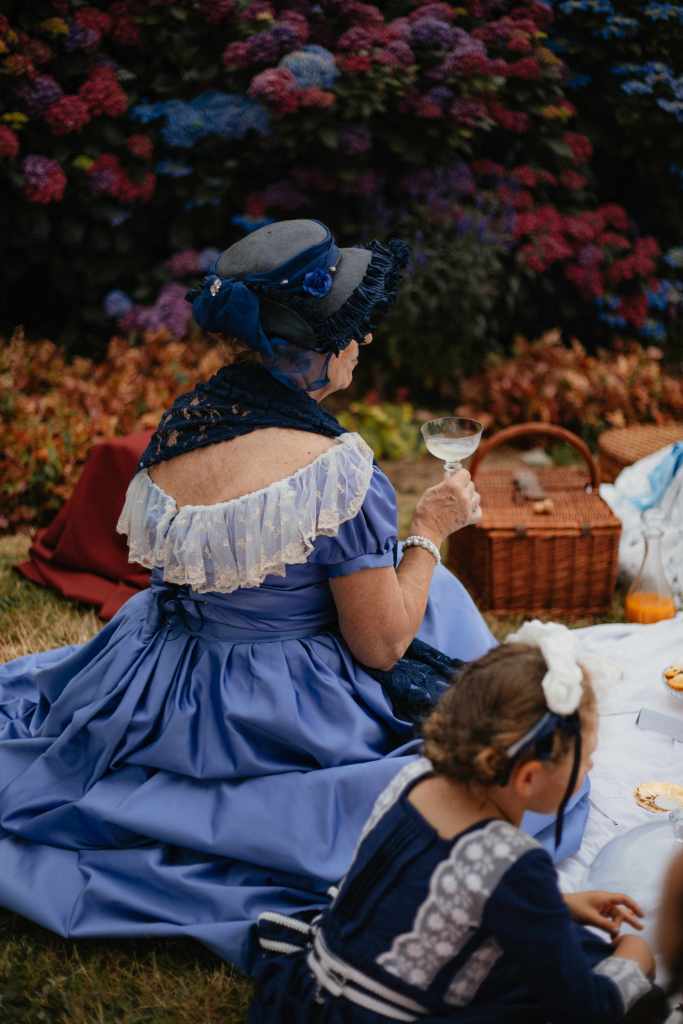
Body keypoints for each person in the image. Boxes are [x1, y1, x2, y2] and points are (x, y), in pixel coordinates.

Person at [0, 219, 587, 972]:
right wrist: (431, 532)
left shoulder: (182, 424)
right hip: (268, 707)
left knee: (415, 588)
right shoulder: (335, 472)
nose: (363, 343)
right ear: (319, 347)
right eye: (353, 331)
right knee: (430, 598)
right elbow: (379, 646)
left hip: (157, 671)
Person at [250, 634, 656, 1023]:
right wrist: (632, 961)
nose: (590, 768)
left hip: (313, 995)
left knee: (559, 945)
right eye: (586, 758)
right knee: (583, 968)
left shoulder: (414, 778)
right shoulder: (511, 861)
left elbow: (418, 893)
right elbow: (582, 1010)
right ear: (529, 777)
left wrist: (560, 905)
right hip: (383, 1012)